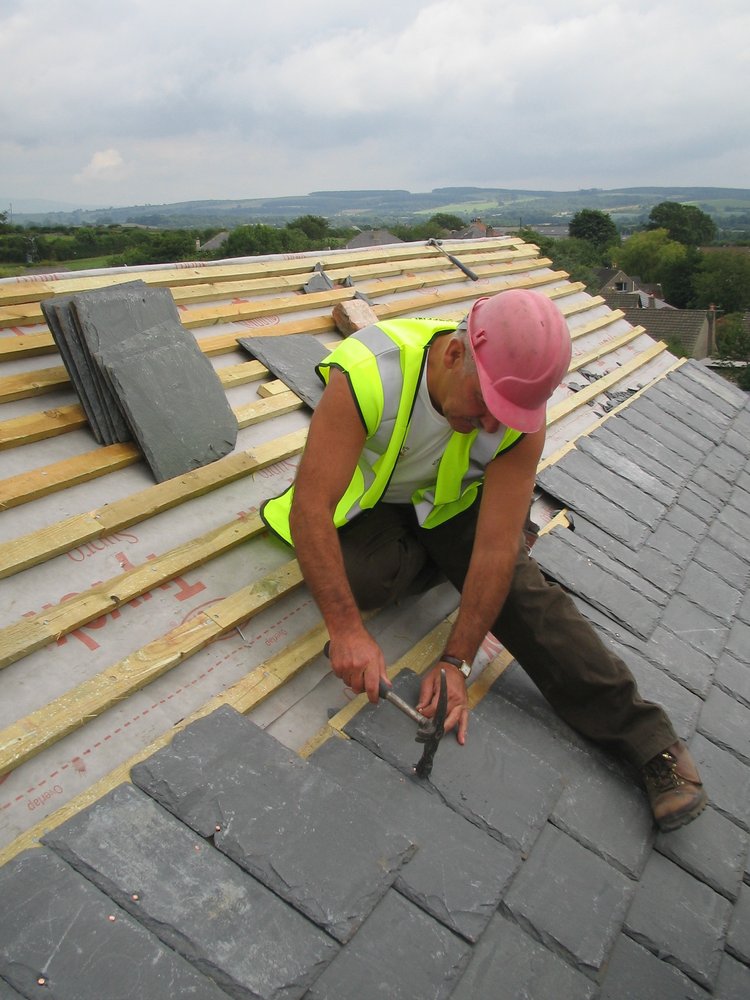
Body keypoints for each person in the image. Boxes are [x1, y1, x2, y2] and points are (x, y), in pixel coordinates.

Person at [261, 288, 707, 832]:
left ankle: (651, 745)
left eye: (508, 416)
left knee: (518, 591)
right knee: (358, 584)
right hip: (376, 505)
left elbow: (495, 551)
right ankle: (459, 564)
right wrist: (346, 629)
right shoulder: (369, 372)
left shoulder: (520, 415)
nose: (495, 427)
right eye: (486, 408)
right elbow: (311, 508)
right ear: (453, 357)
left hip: (453, 506)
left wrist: (457, 661)